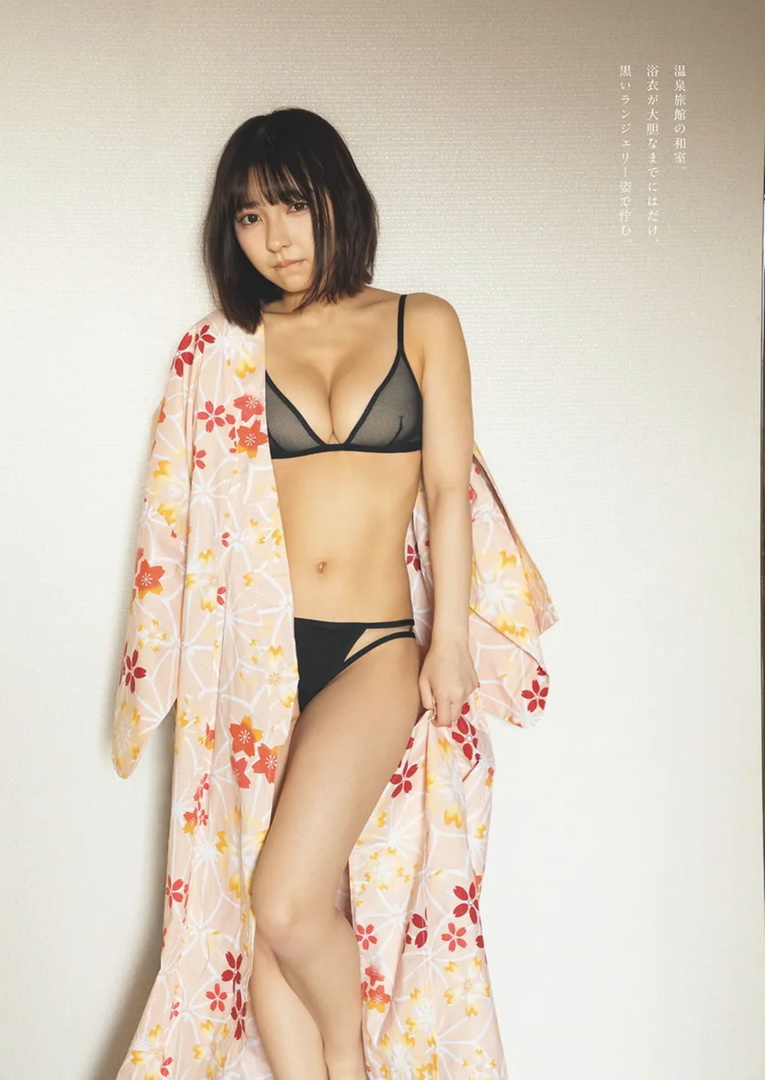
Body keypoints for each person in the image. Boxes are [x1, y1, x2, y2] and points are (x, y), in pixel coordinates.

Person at [201, 106, 478, 1080]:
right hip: (258, 653)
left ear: (337, 199)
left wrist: (450, 640)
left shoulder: (422, 321)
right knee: (259, 917)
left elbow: (448, 491)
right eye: (248, 216)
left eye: (292, 204)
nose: (274, 237)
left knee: (286, 903)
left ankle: (349, 1057)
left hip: (372, 647)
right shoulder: (230, 348)